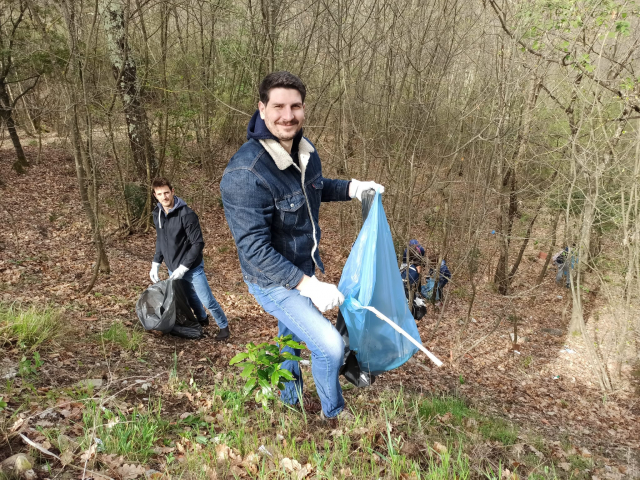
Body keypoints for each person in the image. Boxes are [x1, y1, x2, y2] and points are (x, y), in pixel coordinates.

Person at [220, 71, 383, 420]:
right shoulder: (245, 174)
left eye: (295, 106)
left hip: (302, 268)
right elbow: (253, 250)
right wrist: (309, 286)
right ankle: (333, 412)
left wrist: (353, 187)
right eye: (278, 106)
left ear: (303, 109)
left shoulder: (305, 151)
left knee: (291, 337)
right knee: (329, 345)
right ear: (262, 109)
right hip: (273, 280)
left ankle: (289, 397)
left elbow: (316, 188)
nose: (287, 115)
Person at [149, 177, 230, 341]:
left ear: (172, 192)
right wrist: (156, 263)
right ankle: (202, 319)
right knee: (188, 296)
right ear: (155, 196)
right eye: (160, 194)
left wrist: (184, 267)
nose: (164, 197)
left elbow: (198, 243)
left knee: (207, 299)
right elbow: (161, 240)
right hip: (172, 266)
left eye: (166, 193)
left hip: (192, 267)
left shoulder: (187, 214)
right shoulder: (157, 214)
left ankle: (224, 327)